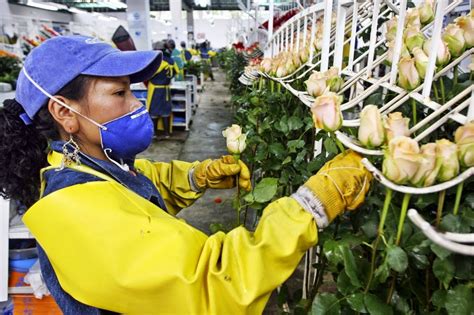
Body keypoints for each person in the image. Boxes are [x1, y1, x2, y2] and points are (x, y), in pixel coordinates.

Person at [0, 35, 372, 314]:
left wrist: (198, 176)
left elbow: (136, 188)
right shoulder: (73, 209)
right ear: (65, 112)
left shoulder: (82, 164)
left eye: (134, 91)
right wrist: (310, 205)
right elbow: (212, 283)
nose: (136, 105)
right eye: (119, 93)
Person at [147, 40, 178, 138]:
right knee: (166, 110)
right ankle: (166, 133)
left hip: (155, 89)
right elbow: (176, 71)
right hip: (165, 89)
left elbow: (148, 74)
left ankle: (155, 134)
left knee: (153, 111)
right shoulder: (171, 60)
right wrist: (167, 79)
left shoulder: (156, 61)